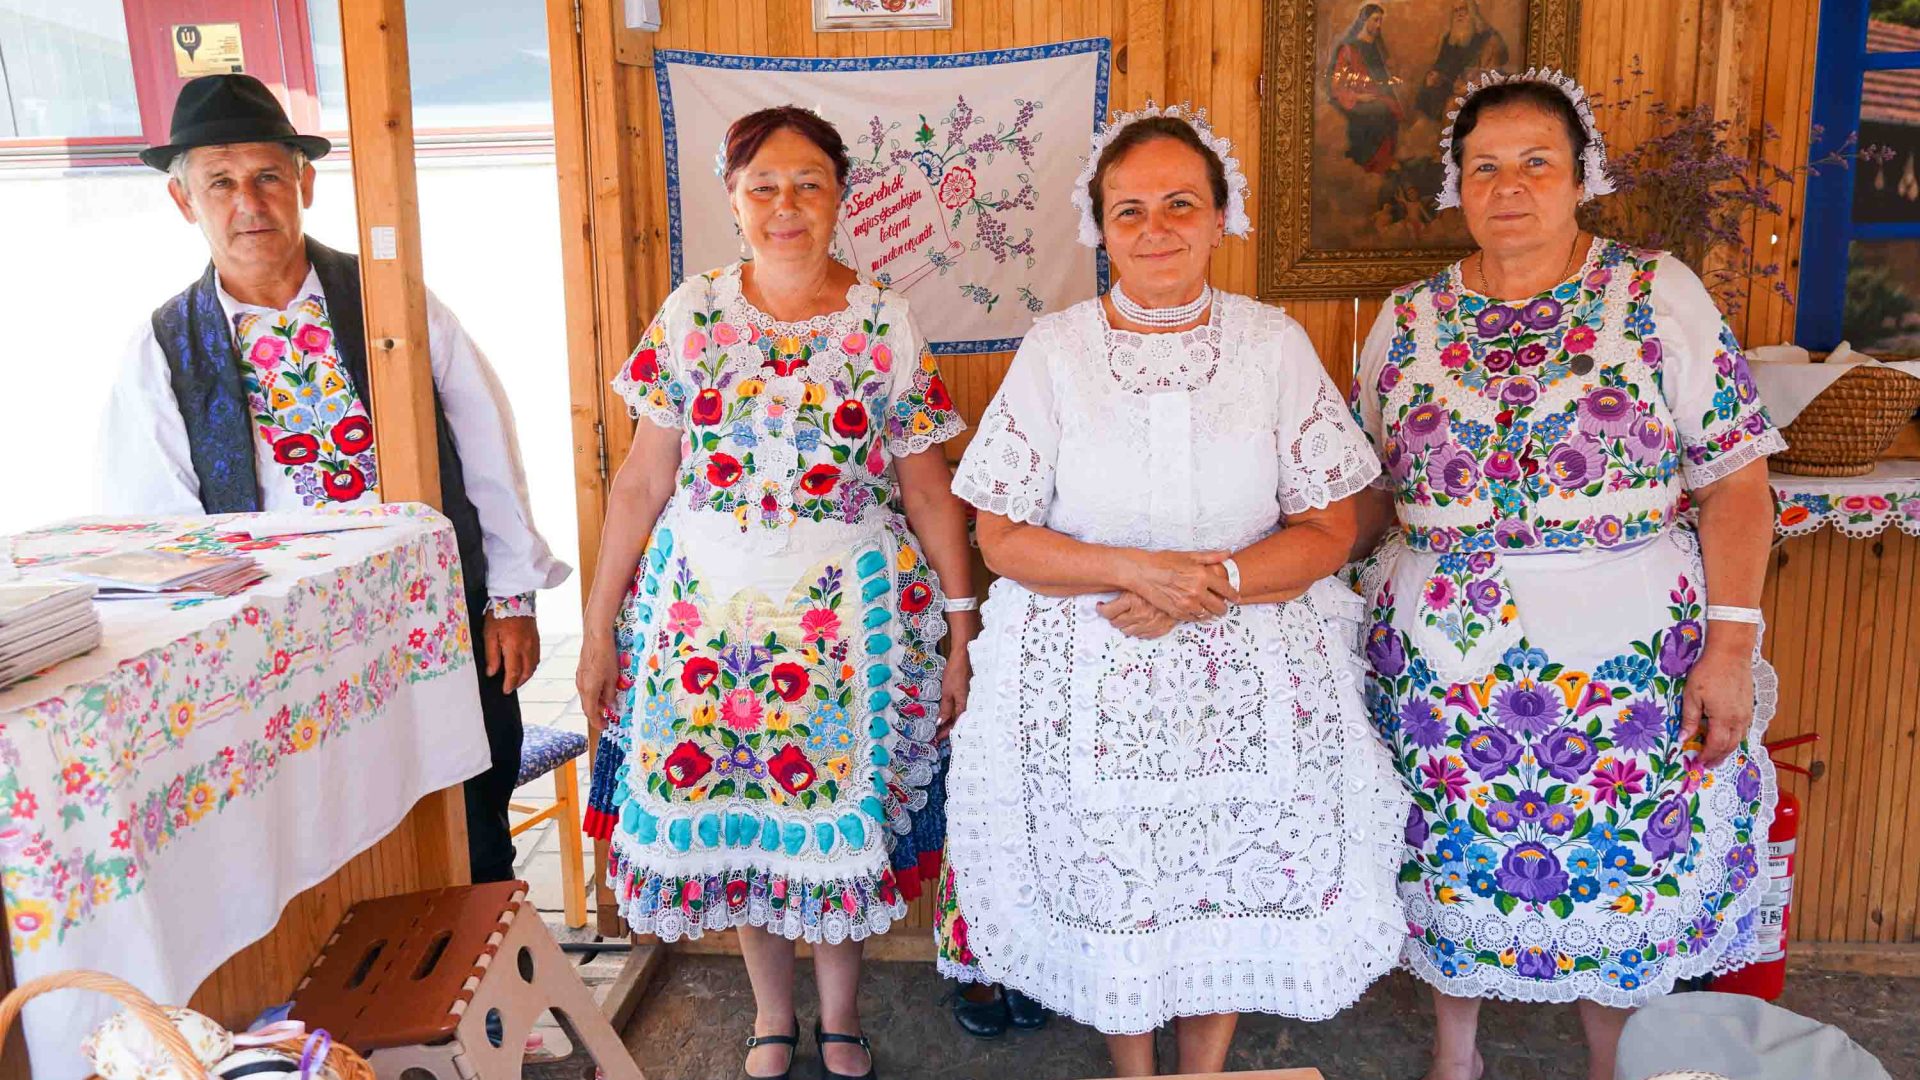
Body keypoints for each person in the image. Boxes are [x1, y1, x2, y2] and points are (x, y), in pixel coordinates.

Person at [937, 104, 1405, 1077]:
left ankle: (1200, 1074)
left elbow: (1330, 527)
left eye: (1180, 204)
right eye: (1131, 210)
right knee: (1121, 881)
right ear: (1101, 228)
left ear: (1220, 217)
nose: (1155, 229)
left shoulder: (1272, 345)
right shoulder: (1057, 350)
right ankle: (1133, 1071)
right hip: (1087, 661)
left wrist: (1214, 581)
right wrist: (1133, 568)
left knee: (1218, 875)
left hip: (1249, 661)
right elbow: (1001, 535)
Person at [1347, 71, 1783, 1080]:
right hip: (1442, 665)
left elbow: (1736, 479)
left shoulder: (1654, 293)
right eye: (1485, 167)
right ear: (1457, 185)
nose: (1510, 186)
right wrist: (1261, 567)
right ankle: (1455, 1058)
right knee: (1450, 854)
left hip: (1623, 662)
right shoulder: (1407, 318)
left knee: (1616, 868)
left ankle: (1611, 1064)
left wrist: (1731, 645)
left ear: (1582, 178)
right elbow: (1368, 491)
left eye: (1537, 163)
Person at [574, 106, 975, 1080]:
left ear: (840, 199)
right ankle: (770, 1014)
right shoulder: (693, 314)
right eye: (763, 186)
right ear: (733, 199)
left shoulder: (882, 322)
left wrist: (965, 627)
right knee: (743, 816)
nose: (785, 205)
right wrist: (596, 631)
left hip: (845, 616)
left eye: (807, 184)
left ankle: (840, 1015)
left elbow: (927, 488)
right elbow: (642, 482)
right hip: (704, 616)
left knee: (834, 817)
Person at [99, 74, 570, 885]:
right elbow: (160, 527)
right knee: (317, 845)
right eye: (220, 182)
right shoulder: (162, 347)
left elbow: (489, 448)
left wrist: (511, 600)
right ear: (184, 201)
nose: (249, 202)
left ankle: (487, 966)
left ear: (305, 184)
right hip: (280, 649)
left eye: (268, 176)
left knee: (470, 819)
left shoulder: (390, 302)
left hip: (435, 620)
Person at [1328, 2, 1404, 174]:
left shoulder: (1378, 47)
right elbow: (1337, 84)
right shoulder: (1349, 48)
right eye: (1375, 20)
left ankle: (1385, 159)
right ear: (1364, 20)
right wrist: (1358, 97)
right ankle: (1373, 162)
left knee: (1391, 108)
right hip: (1354, 98)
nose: (1379, 25)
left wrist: (1391, 71)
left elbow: (1382, 77)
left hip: (1377, 95)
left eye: (1380, 21)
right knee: (1379, 111)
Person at [1414, 0, 1509, 124]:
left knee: (1452, 105)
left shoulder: (1488, 37)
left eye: (1463, 9)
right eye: (1456, 11)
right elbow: (1441, 65)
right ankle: (1425, 129)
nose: (1459, 14)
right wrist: (1435, 75)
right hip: (1451, 85)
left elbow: (1494, 73)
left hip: (1475, 87)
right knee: (1426, 91)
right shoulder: (1449, 38)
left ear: (1472, 11)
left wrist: (1468, 86)